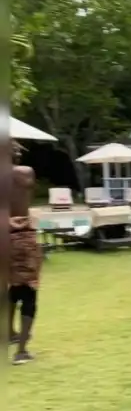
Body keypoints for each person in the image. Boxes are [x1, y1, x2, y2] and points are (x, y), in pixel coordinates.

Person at [9, 141, 42, 365]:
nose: (19, 151)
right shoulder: (24, 172)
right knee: (29, 291)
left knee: (13, 288)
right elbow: (29, 186)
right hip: (21, 238)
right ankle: (21, 351)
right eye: (15, 148)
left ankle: (9, 333)